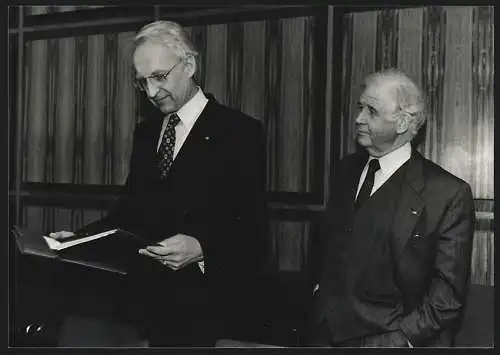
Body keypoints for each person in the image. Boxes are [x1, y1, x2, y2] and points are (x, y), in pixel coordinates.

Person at [49, 20, 267, 347]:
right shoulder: (147, 133)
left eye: (159, 77)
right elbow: (127, 215)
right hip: (143, 311)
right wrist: (78, 241)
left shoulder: (239, 132)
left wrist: (204, 249)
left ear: (190, 65)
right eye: (142, 83)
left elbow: (253, 232)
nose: (151, 92)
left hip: (205, 315)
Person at [304, 68, 475, 347]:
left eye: (371, 111)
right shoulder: (345, 171)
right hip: (322, 334)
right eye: (360, 107)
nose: (358, 118)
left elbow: (446, 296)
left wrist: (401, 339)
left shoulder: (447, 193)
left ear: (402, 123)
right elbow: (326, 247)